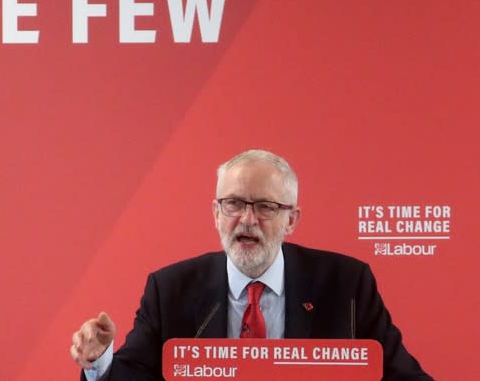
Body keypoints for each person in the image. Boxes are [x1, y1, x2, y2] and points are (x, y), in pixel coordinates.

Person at [70, 149, 431, 380]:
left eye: (265, 207)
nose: (247, 219)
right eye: (233, 204)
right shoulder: (171, 289)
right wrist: (100, 361)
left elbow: (402, 375)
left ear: (291, 220)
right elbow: (134, 376)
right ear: (215, 213)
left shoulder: (346, 284)